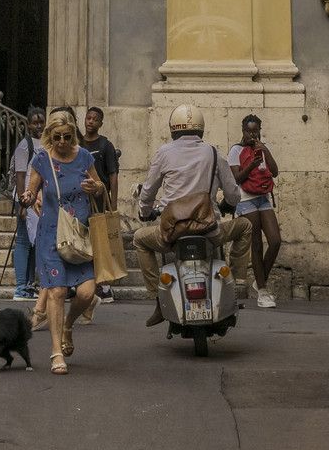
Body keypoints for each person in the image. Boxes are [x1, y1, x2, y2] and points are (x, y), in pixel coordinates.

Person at [133, 104, 253, 327]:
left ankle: (158, 300)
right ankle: (236, 282)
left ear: (173, 130)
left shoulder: (164, 152)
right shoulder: (213, 153)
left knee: (140, 239)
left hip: (171, 234)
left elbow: (148, 191)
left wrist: (145, 212)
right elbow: (234, 196)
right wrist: (225, 203)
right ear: (201, 130)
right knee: (245, 225)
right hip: (210, 231)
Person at [21, 107, 104, 372]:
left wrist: (95, 187)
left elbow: (100, 185)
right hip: (52, 234)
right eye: (57, 137)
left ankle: (68, 324)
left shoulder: (83, 157)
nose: (62, 143)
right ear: (49, 136)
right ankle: (57, 352)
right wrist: (28, 197)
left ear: (73, 135)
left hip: (80, 235)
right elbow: (31, 189)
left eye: (67, 137)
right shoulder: (42, 159)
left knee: (87, 292)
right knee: (56, 291)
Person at [229, 114, 282, 307]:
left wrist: (265, 152)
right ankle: (262, 292)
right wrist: (251, 164)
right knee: (257, 244)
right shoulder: (235, 150)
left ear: (259, 130)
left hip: (263, 198)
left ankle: (259, 280)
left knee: (275, 240)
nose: (252, 134)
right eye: (248, 131)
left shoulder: (263, 147)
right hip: (246, 200)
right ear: (243, 131)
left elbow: (274, 172)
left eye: (255, 131)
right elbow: (236, 179)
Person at [81, 108, 121, 308]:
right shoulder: (76, 144)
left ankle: (104, 286)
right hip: (80, 202)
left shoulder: (106, 145)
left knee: (101, 245)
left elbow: (113, 176)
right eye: (88, 118)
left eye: (95, 119)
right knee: (83, 244)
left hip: (100, 202)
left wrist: (112, 204)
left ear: (101, 123)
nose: (90, 122)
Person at [9, 107, 45, 301]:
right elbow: (21, 175)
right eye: (35, 122)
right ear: (28, 124)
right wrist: (23, 203)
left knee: (34, 242)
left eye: (41, 122)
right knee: (23, 240)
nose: (39, 126)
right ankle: (21, 285)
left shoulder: (47, 143)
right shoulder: (25, 145)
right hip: (25, 199)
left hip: (39, 200)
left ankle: (31, 283)